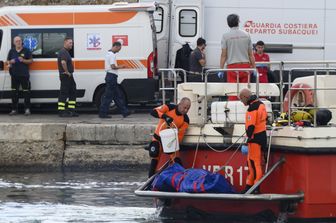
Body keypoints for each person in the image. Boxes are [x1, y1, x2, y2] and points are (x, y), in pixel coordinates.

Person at [148, 97, 191, 177]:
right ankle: (150, 178)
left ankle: (179, 178)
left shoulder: (185, 120)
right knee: (154, 155)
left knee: (176, 160)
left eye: (188, 109)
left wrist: (172, 146)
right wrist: (165, 116)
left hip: (170, 141)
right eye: (184, 108)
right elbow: (153, 112)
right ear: (180, 104)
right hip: (158, 138)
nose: (185, 110)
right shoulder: (169, 107)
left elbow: (180, 136)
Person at [219, 14, 256, 100]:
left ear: (228, 23)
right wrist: (254, 68)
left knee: (232, 93)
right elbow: (251, 54)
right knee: (246, 93)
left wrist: (221, 69)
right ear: (238, 22)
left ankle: (233, 111)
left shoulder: (225, 36)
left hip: (232, 68)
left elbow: (223, 55)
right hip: (245, 67)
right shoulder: (246, 35)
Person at [239, 88, 267, 194]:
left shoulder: (252, 108)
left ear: (245, 97)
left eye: (242, 100)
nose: (242, 103)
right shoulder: (261, 104)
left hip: (254, 139)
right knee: (255, 163)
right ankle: (250, 186)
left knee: (253, 163)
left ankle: (255, 187)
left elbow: (251, 126)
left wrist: (248, 139)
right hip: (262, 137)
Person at [99, 41, 130, 118]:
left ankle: (125, 112)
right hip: (111, 77)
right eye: (119, 48)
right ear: (115, 46)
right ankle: (103, 113)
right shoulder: (112, 55)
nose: (119, 50)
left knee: (117, 95)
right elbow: (113, 66)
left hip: (111, 77)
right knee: (108, 96)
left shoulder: (108, 53)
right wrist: (121, 66)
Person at [6, 36, 33, 116]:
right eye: (17, 41)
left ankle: (27, 109)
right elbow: (7, 61)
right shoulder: (11, 51)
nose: (18, 42)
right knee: (14, 93)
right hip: (14, 75)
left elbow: (31, 61)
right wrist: (10, 62)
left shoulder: (26, 50)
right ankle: (14, 110)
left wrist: (23, 60)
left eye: (20, 41)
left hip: (24, 75)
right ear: (14, 43)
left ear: (22, 42)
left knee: (26, 93)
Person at [57, 37, 78, 117]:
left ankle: (71, 110)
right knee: (64, 93)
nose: (71, 44)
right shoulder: (63, 52)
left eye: (72, 43)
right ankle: (61, 111)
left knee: (73, 92)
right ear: (65, 42)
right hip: (66, 75)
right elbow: (63, 62)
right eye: (70, 43)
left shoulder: (66, 52)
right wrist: (67, 72)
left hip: (68, 76)